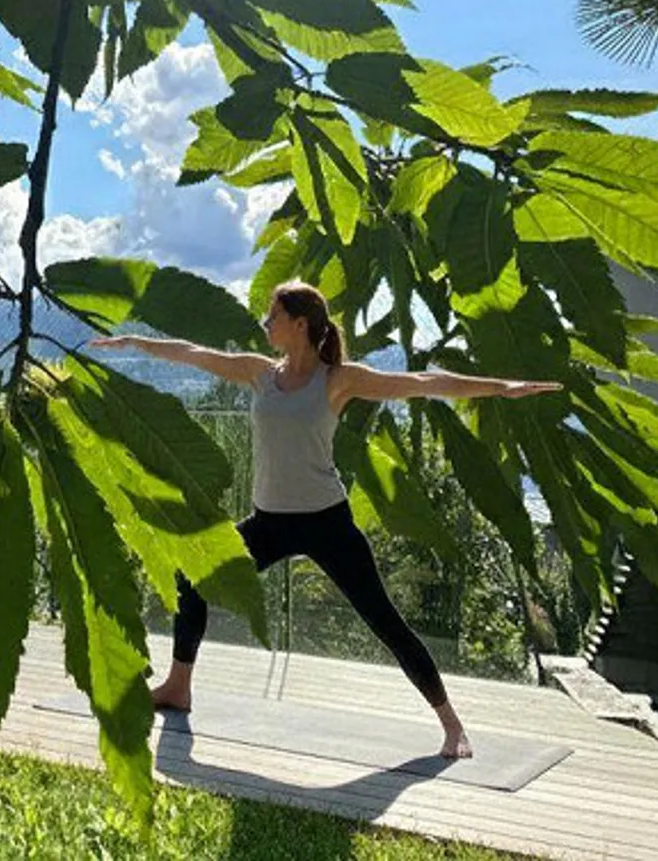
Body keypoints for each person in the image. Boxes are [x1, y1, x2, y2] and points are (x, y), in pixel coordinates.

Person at [89, 279, 562, 759]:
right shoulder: (260, 373)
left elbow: (424, 384)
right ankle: (178, 687)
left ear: (299, 324)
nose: (265, 324)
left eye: (273, 316)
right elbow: (194, 353)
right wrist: (133, 341)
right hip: (268, 522)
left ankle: (452, 726)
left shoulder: (339, 379)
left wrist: (503, 388)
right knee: (194, 577)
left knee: (384, 620)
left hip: (327, 523)